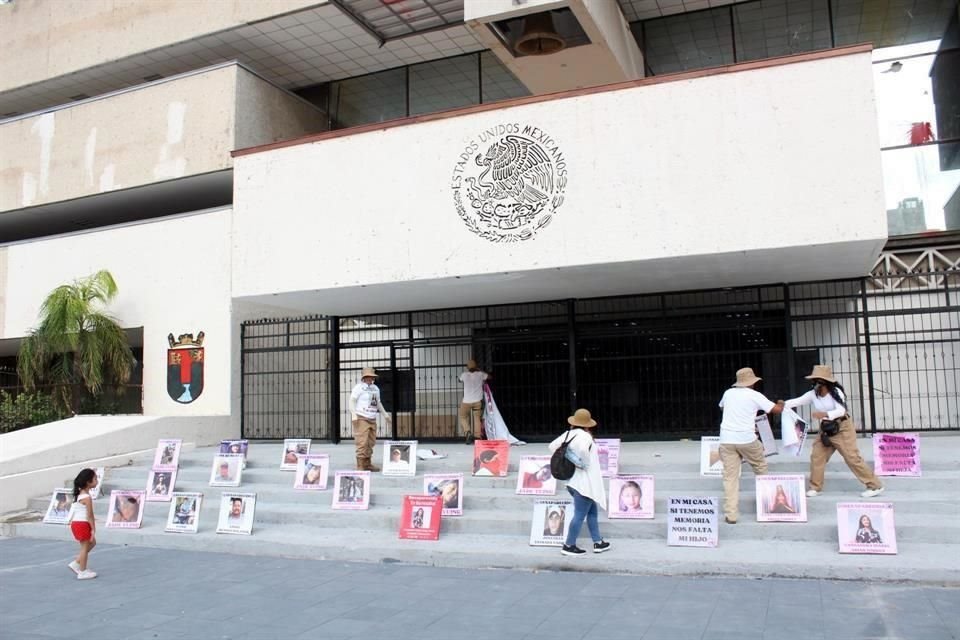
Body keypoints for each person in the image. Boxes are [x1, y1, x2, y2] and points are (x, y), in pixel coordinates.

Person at [783, 364, 884, 499]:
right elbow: (797, 401)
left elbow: (841, 410)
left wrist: (824, 414)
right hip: (826, 429)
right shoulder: (813, 394)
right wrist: (781, 405)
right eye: (815, 381)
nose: (816, 384)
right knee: (817, 456)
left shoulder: (836, 392)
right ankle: (815, 487)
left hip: (842, 427)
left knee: (852, 457)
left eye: (819, 381)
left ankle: (875, 485)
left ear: (826, 382)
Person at [717, 367, 783, 524]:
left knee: (730, 477)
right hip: (747, 439)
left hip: (727, 439)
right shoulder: (755, 395)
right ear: (752, 382)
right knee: (760, 468)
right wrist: (781, 403)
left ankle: (731, 514)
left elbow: (722, 407)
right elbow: (776, 410)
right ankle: (767, 506)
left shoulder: (728, 393)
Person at [548, 408, 611, 556]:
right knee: (580, 514)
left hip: (572, 481)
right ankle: (569, 545)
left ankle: (598, 542)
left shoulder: (568, 434)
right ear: (587, 425)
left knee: (592, 512)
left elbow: (551, 446)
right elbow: (583, 451)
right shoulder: (585, 436)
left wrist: (571, 457)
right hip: (585, 484)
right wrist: (583, 463)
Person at [349, 367, 391, 472]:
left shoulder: (375, 388)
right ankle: (360, 465)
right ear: (364, 377)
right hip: (361, 417)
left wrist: (385, 414)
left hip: (372, 418)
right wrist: (354, 414)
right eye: (367, 377)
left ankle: (367, 463)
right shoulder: (358, 388)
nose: (370, 379)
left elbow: (378, 402)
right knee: (362, 442)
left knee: (370, 442)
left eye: (372, 377)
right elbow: (352, 401)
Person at [68, 468, 99, 580]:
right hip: (82, 524)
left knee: (92, 543)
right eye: (95, 479)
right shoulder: (87, 498)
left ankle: (77, 563)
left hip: (77, 523)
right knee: (85, 547)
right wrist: (93, 530)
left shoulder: (80, 494)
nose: (97, 481)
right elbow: (90, 515)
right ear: (88, 482)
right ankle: (82, 571)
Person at [459, 359, 490, 443]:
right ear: (476, 366)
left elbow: (459, 380)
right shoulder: (480, 374)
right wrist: (479, 369)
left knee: (463, 417)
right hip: (477, 401)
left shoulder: (464, 375)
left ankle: (468, 432)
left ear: (467, 367)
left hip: (466, 401)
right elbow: (489, 377)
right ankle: (477, 436)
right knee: (477, 418)